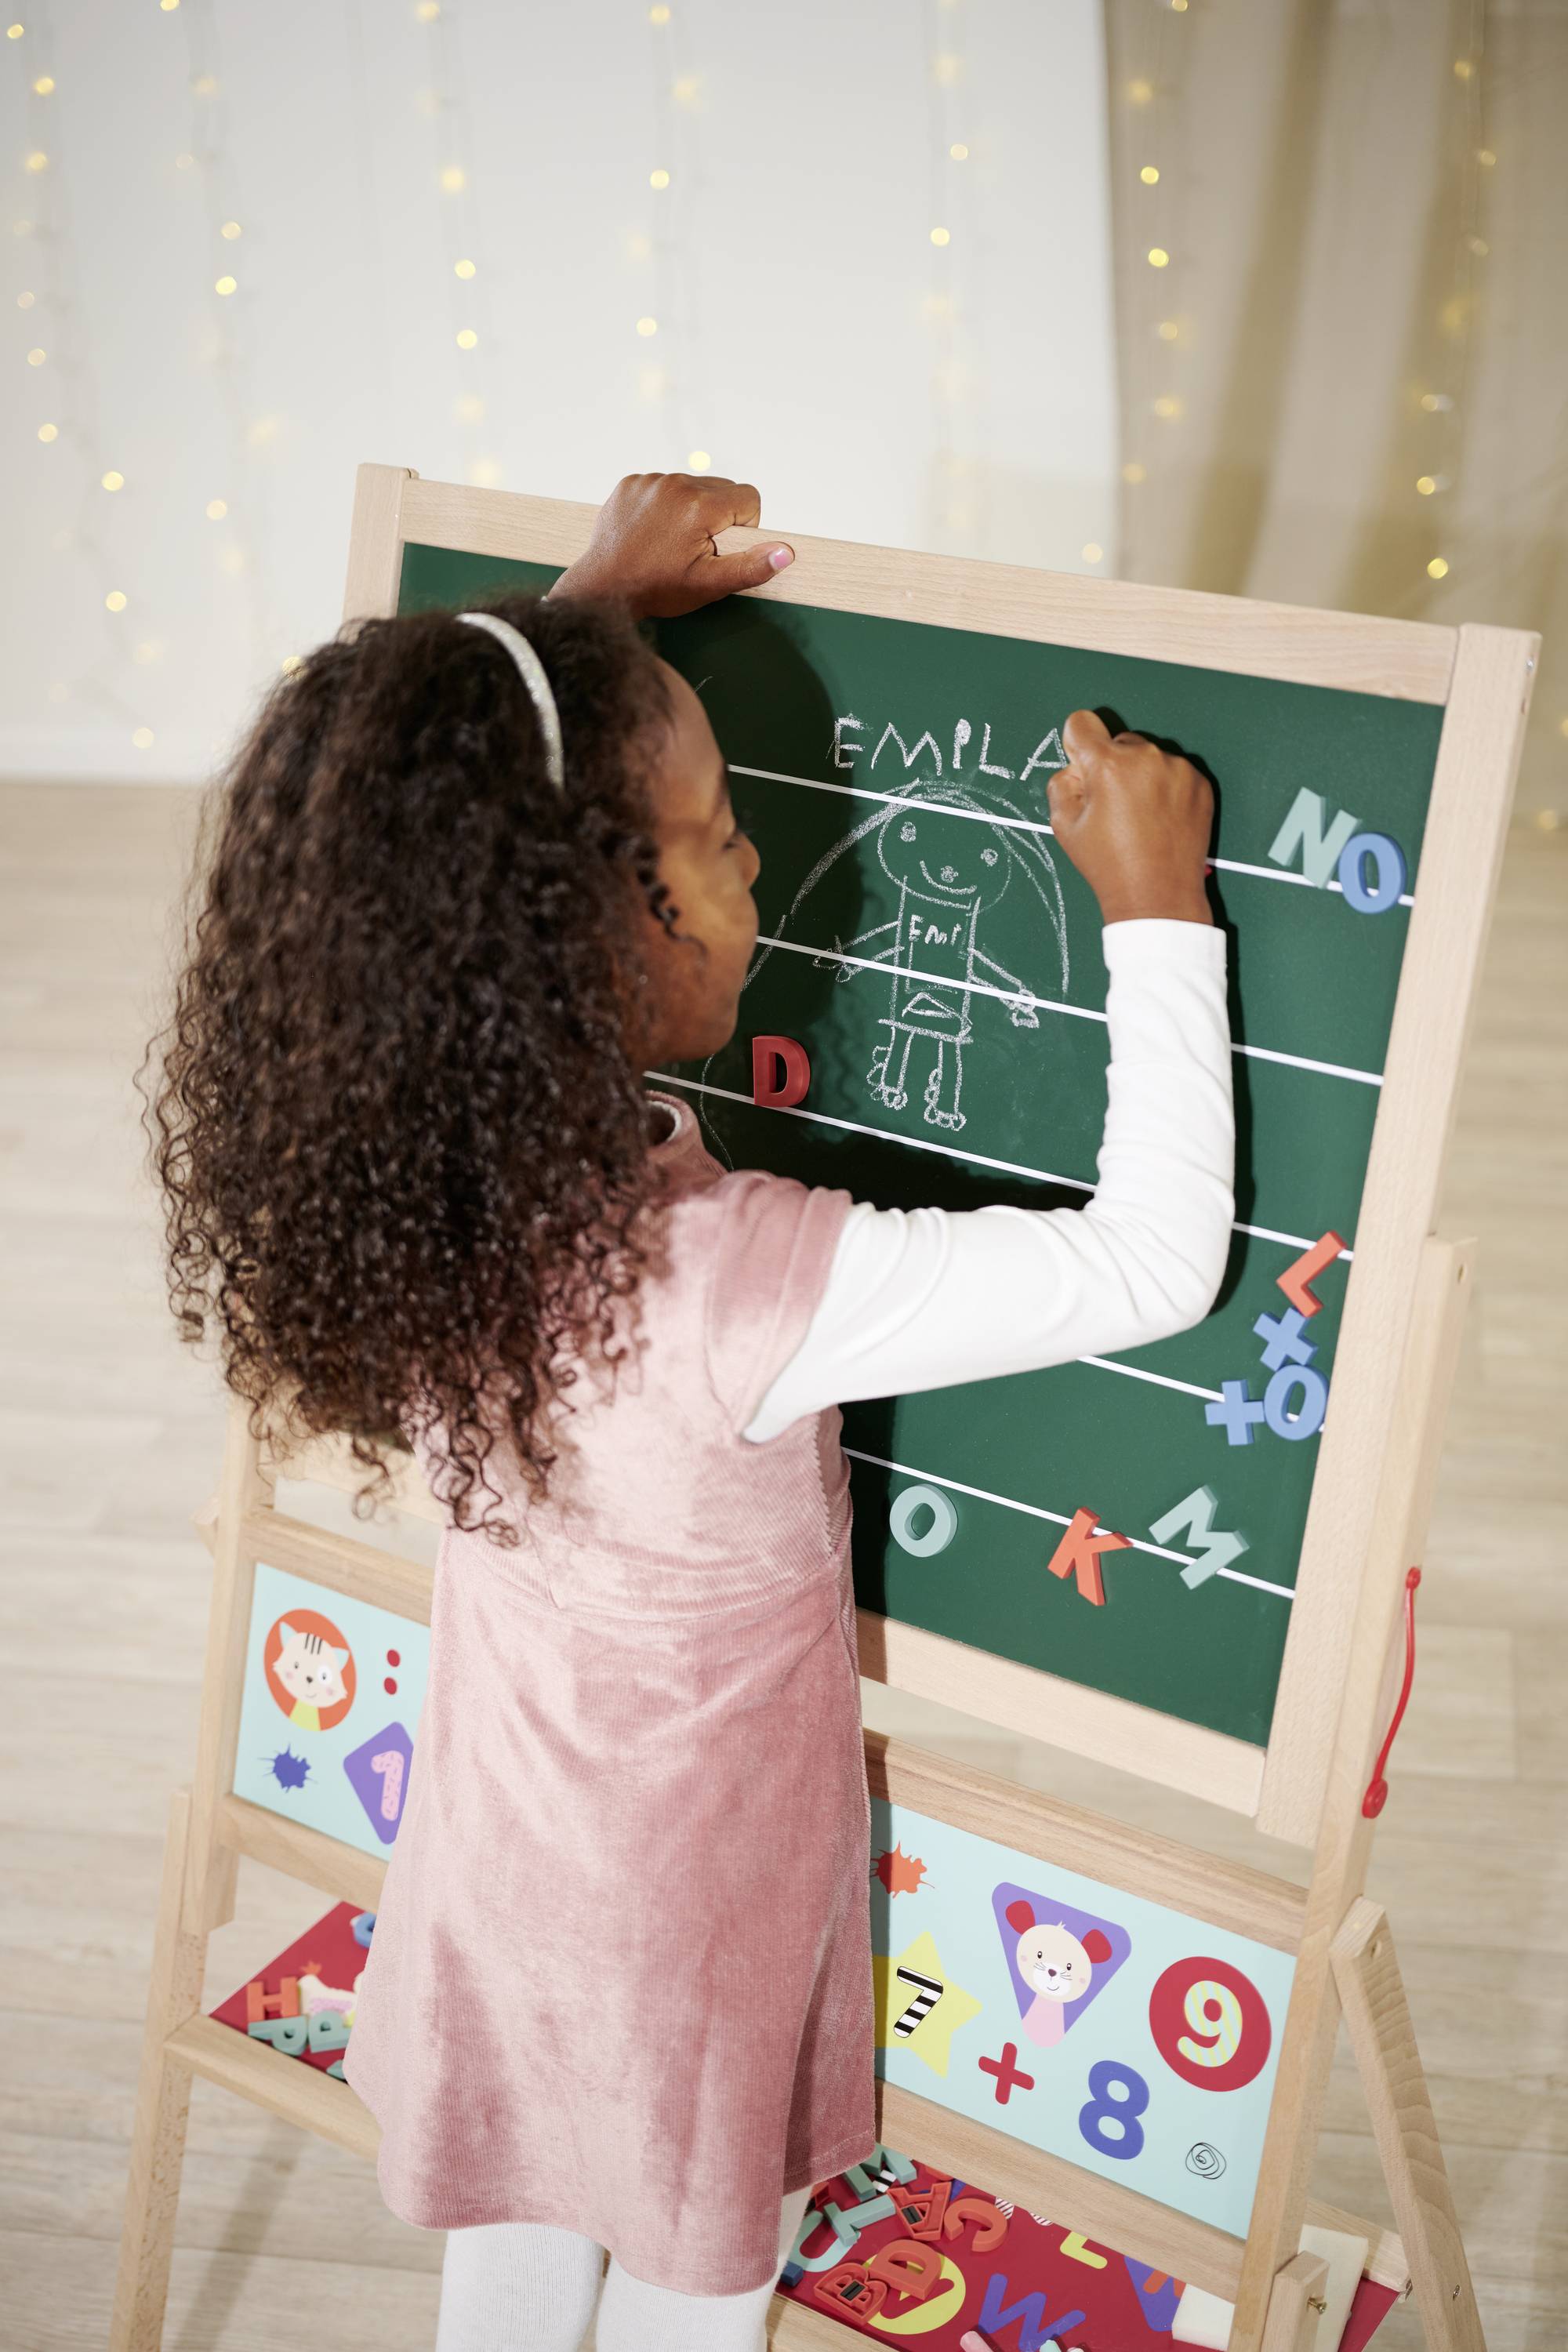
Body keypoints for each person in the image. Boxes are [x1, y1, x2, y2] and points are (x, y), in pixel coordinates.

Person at [146, 471, 1232, 2352]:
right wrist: (1153, 915)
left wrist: (580, 615)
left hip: (498, 1866)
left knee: (510, 2215)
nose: (769, 869)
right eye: (723, 839)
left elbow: (429, 823)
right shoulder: (738, 1284)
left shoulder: (405, 1181)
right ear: (584, 931)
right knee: (685, 2275)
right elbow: (1150, 1265)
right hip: (692, 1935)